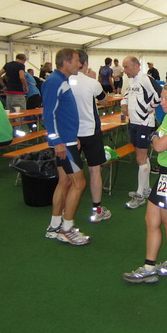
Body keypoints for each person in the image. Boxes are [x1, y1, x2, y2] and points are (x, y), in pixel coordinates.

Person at [123, 82, 167, 283]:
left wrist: (154, 137)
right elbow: (156, 137)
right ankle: (149, 267)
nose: (161, 102)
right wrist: (155, 136)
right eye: (162, 97)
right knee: (151, 220)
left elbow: (159, 145)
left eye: (166, 99)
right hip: (166, 175)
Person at [42, 49, 89, 246]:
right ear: (66, 62)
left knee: (64, 182)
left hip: (68, 140)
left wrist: (72, 136)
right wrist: (57, 142)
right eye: (77, 61)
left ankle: (54, 226)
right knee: (79, 183)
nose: (80, 64)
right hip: (64, 144)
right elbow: (48, 114)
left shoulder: (62, 80)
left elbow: (61, 114)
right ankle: (67, 229)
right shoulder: (54, 82)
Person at [69, 50, 112, 223]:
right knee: (95, 170)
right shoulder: (91, 82)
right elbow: (104, 101)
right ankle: (97, 208)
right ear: (85, 63)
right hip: (90, 131)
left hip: (71, 132)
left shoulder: (65, 81)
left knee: (68, 174)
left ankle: (64, 210)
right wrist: (93, 80)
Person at [120, 56, 162, 209]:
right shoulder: (131, 81)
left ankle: (140, 195)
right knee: (142, 156)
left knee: (140, 157)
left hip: (144, 124)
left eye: (126, 67)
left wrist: (149, 107)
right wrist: (123, 104)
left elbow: (160, 93)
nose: (124, 70)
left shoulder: (145, 79)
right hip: (134, 123)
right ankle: (146, 189)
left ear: (136, 65)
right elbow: (126, 95)